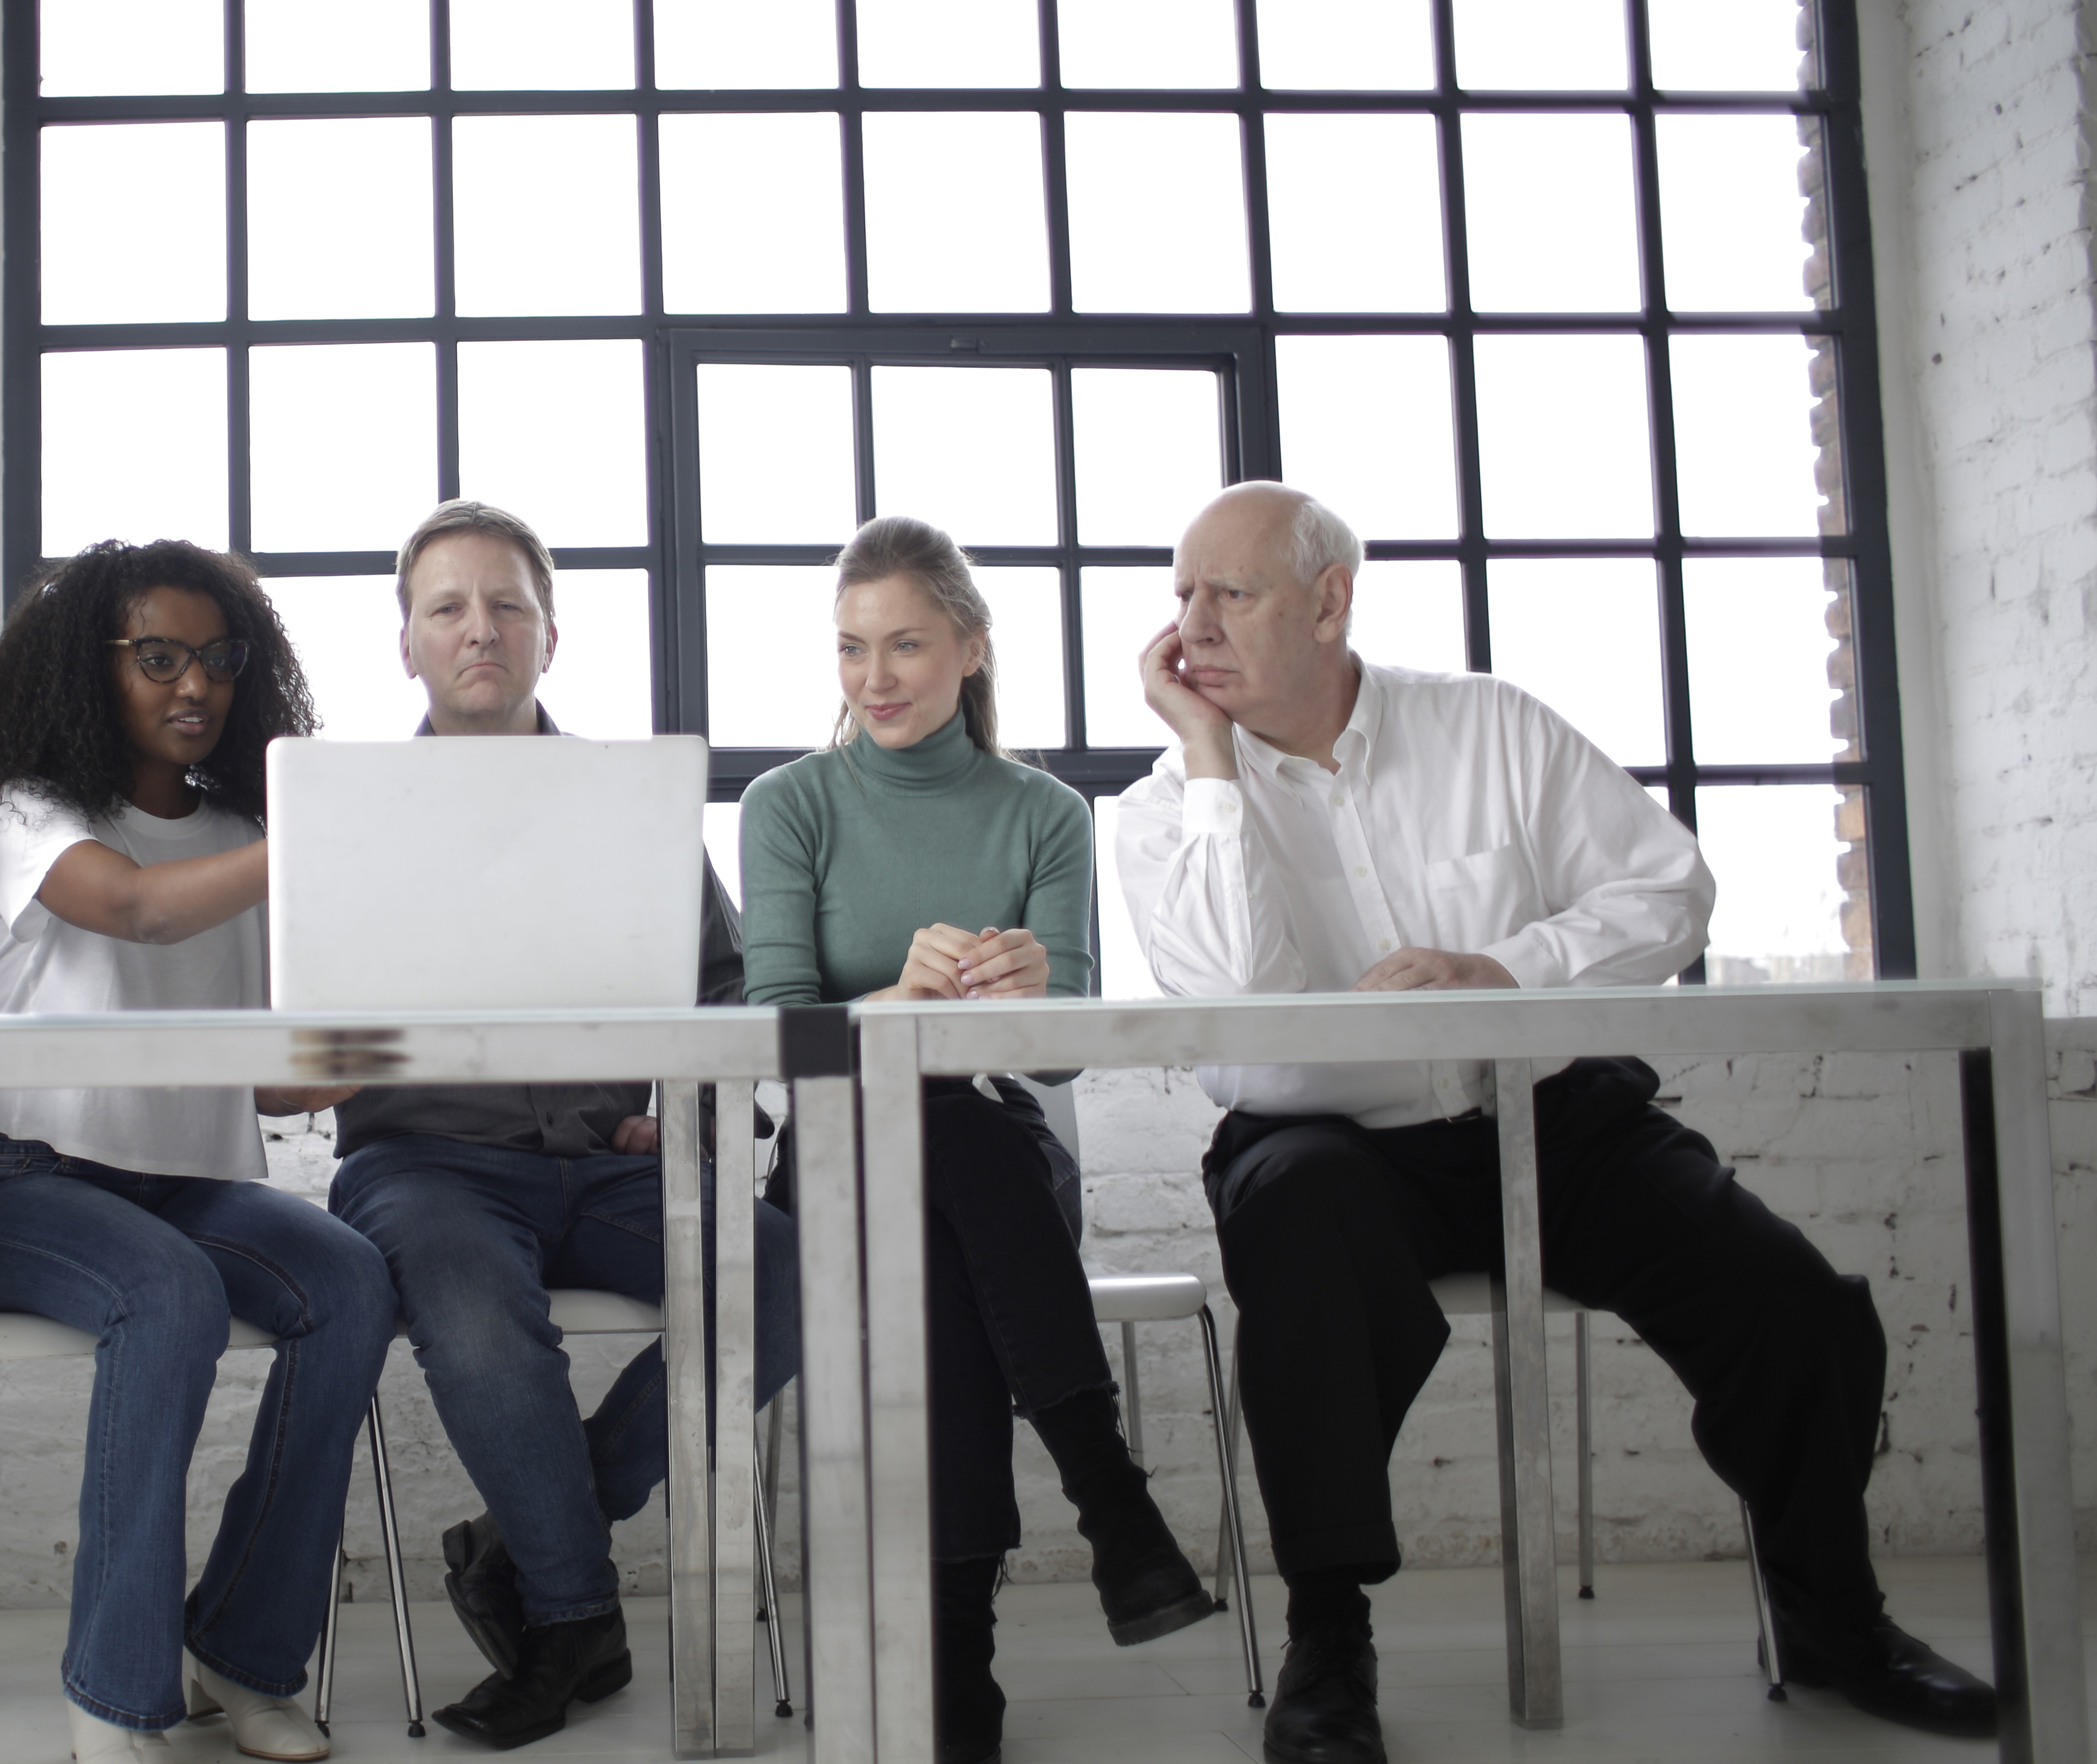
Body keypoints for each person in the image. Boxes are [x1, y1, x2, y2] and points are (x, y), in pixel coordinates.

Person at [1115, 480, 1998, 1764]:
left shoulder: (1489, 727)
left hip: (1547, 1109)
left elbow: (1670, 889)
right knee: (1302, 1237)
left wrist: (1509, 970)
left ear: (1329, 601)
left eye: (1228, 593)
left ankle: (1832, 1616)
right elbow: (1238, 1002)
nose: (1190, 624)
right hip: (1325, 1143)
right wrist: (1209, 761)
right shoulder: (1167, 808)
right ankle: (1330, 1641)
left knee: (1791, 1301)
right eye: (1180, 595)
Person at [738, 514, 1221, 1764]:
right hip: (838, 1156)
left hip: (993, 1157)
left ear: (969, 648)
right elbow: (771, 1033)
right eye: (852, 650)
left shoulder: (1047, 813)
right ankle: (1106, 1502)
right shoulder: (792, 805)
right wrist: (894, 1008)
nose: (876, 678)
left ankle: (957, 1662)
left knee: (954, 1160)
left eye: (904, 644)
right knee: (935, 1153)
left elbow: (1060, 1054)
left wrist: (1031, 994)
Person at [321, 500, 802, 1751]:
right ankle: (574, 1607)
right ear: (408, 642)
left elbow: (722, 991)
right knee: (478, 1316)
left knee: (798, 1269)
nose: (479, 630)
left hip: (604, 1165)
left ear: (550, 633)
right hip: (422, 1167)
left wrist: (689, 1124)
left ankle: (535, 1555)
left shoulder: (632, 803)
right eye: (447, 608)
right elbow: (303, 1025)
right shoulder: (342, 810)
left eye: (508, 606)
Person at [0, 538, 396, 1764]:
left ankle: (238, 1655)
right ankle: (115, 1691)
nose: (194, 685)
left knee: (348, 1279)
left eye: (218, 659)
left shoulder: (240, 830)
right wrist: (323, 833)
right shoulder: (32, 813)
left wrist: (407, 1025)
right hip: (24, 1191)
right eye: (159, 657)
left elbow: (271, 1073)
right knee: (171, 1295)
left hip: (189, 1189)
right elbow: (135, 905)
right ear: (92, 670)